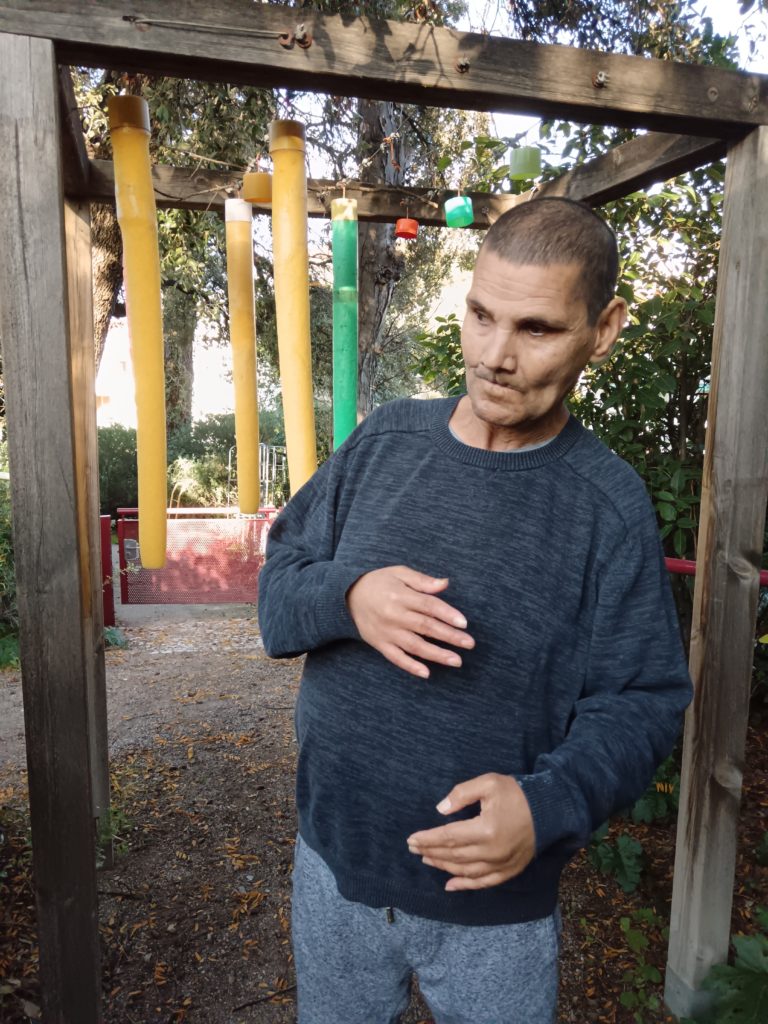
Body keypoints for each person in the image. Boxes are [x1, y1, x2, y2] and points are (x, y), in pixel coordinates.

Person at [257, 197, 693, 1024]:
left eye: (537, 329)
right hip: (332, 868)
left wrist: (549, 805)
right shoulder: (385, 443)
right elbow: (278, 593)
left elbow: (644, 700)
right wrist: (349, 597)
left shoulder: (607, 506)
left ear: (603, 330)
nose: (495, 356)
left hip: (496, 914)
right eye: (481, 315)